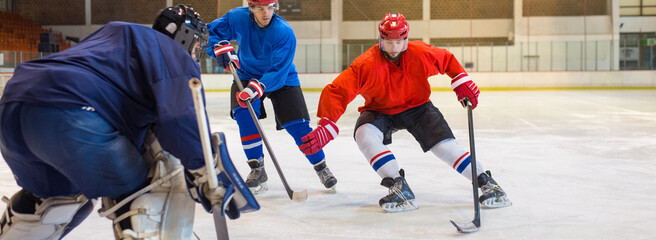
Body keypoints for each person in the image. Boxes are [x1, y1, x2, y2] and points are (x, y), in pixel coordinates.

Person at [0, 5, 258, 240]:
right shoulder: (172, 53)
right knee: (153, 185)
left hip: (12, 112)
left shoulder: (115, 34)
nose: (195, 53)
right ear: (185, 37)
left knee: (55, 202)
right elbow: (180, 120)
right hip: (73, 117)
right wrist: (204, 168)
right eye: (196, 46)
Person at [300, 13, 512, 212]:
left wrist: (461, 80)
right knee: (363, 133)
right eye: (389, 42)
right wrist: (327, 122)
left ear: (406, 39)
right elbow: (339, 91)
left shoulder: (420, 53)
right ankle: (399, 186)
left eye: (400, 42)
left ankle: (486, 182)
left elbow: (446, 59)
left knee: (445, 148)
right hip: (379, 110)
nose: (394, 48)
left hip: (418, 108)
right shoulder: (366, 64)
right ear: (381, 39)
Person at [205, 0, 337, 193]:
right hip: (245, 75)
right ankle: (257, 168)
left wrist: (257, 87)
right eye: (260, 8)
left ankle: (321, 166)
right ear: (251, 8)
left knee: (298, 126)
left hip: (281, 78)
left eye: (270, 7)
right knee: (245, 117)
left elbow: (278, 69)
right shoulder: (237, 17)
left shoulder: (283, 31)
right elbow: (208, 33)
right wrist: (217, 48)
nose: (266, 13)